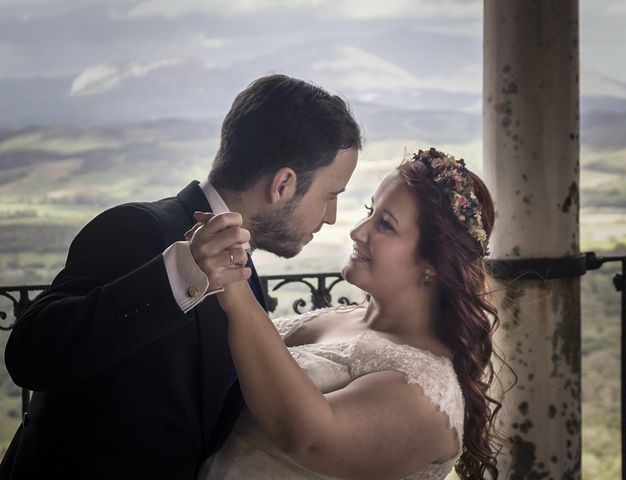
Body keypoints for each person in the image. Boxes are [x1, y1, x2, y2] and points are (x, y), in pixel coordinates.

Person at [0, 74, 362, 480]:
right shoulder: (136, 228)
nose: (330, 216)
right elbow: (30, 355)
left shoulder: (244, 263)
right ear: (283, 184)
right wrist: (178, 275)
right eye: (331, 195)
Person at [199, 148, 505, 480]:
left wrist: (236, 290)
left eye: (385, 224)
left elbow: (307, 437)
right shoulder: (343, 316)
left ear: (433, 262)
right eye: (370, 210)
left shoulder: (427, 395)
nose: (358, 231)